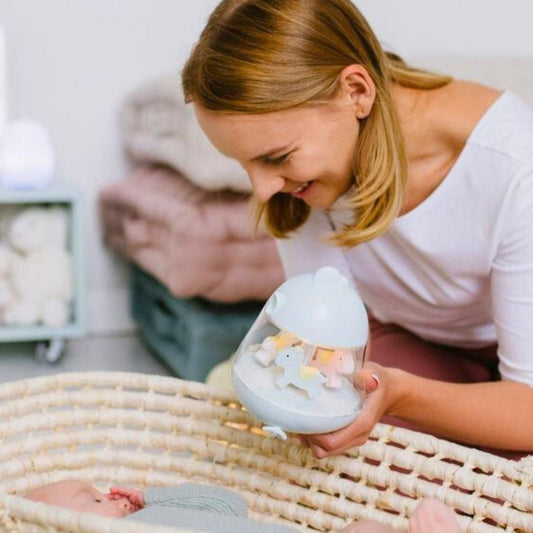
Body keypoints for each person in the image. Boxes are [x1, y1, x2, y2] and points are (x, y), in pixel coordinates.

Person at [181, 0, 533, 460]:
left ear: (356, 92)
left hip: (516, 383)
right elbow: (327, 343)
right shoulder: (302, 183)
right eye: (244, 163)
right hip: (410, 341)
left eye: (276, 157)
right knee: (326, 437)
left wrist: (402, 394)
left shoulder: (512, 167)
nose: (263, 189)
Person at [24, 479, 460, 532]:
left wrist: (151, 497)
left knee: (366, 530)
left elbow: (230, 506)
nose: (111, 498)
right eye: (93, 501)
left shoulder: (154, 513)